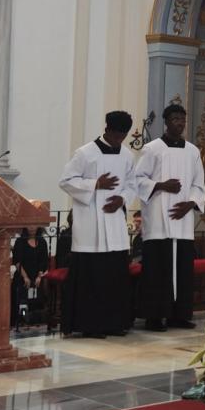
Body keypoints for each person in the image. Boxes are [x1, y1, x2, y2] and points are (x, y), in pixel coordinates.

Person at [59, 110, 141, 338]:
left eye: (122, 136)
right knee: (92, 277)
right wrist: (95, 184)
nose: (118, 140)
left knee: (114, 276)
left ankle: (115, 323)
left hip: (114, 224)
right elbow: (65, 181)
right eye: (115, 135)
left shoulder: (127, 155)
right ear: (107, 130)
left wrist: (122, 199)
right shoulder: (85, 153)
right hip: (90, 226)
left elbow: (132, 184)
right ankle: (90, 325)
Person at [136, 104, 205, 332]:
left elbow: (199, 184)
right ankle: (154, 317)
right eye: (175, 119)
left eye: (183, 119)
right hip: (158, 219)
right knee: (157, 269)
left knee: (182, 270)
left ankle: (179, 315)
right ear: (166, 122)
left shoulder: (193, 151)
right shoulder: (152, 149)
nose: (180, 123)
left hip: (183, 220)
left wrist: (191, 203)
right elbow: (137, 179)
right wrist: (160, 185)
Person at [11, 227, 49, 327]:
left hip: (36, 276)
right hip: (22, 275)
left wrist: (39, 276)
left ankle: (34, 319)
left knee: (37, 297)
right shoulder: (20, 242)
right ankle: (21, 318)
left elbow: (44, 261)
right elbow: (17, 262)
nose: (32, 228)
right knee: (22, 299)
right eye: (30, 225)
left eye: (35, 225)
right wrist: (25, 277)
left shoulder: (42, 242)